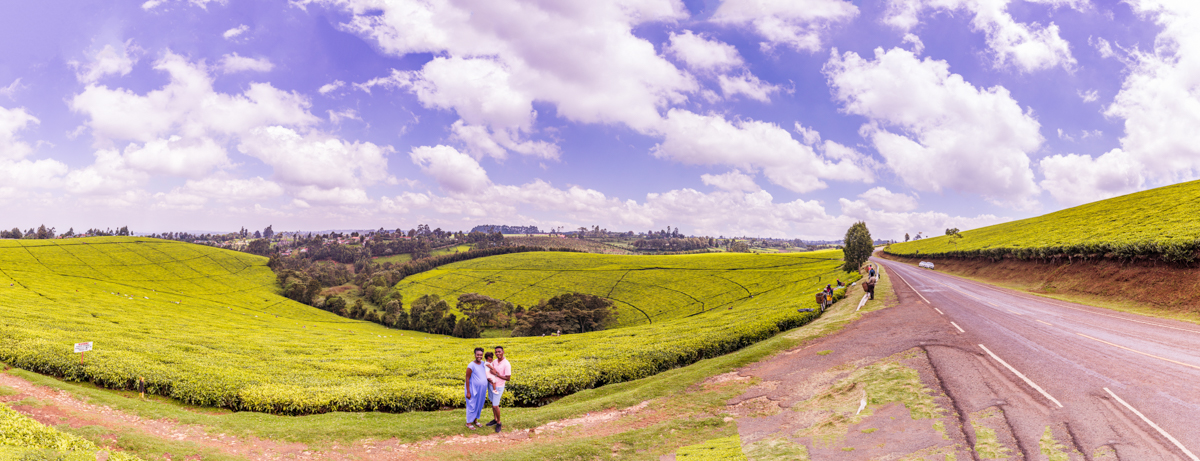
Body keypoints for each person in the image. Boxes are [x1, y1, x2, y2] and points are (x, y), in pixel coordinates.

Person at [484, 346, 512, 433]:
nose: (497, 353)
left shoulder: (506, 364)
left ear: (503, 352)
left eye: (499, 352)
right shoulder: (494, 361)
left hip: (499, 386)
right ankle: (495, 419)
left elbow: (508, 378)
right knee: (493, 404)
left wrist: (496, 375)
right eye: (496, 352)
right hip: (491, 385)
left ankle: (499, 422)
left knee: (495, 406)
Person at [464, 347, 489, 429]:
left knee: (479, 404)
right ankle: (468, 423)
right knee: (472, 405)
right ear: (475, 355)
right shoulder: (471, 365)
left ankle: (475, 420)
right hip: (472, 389)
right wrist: (468, 392)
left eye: (481, 355)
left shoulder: (483, 363)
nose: (479, 356)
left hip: (481, 390)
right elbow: (467, 378)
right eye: (478, 355)